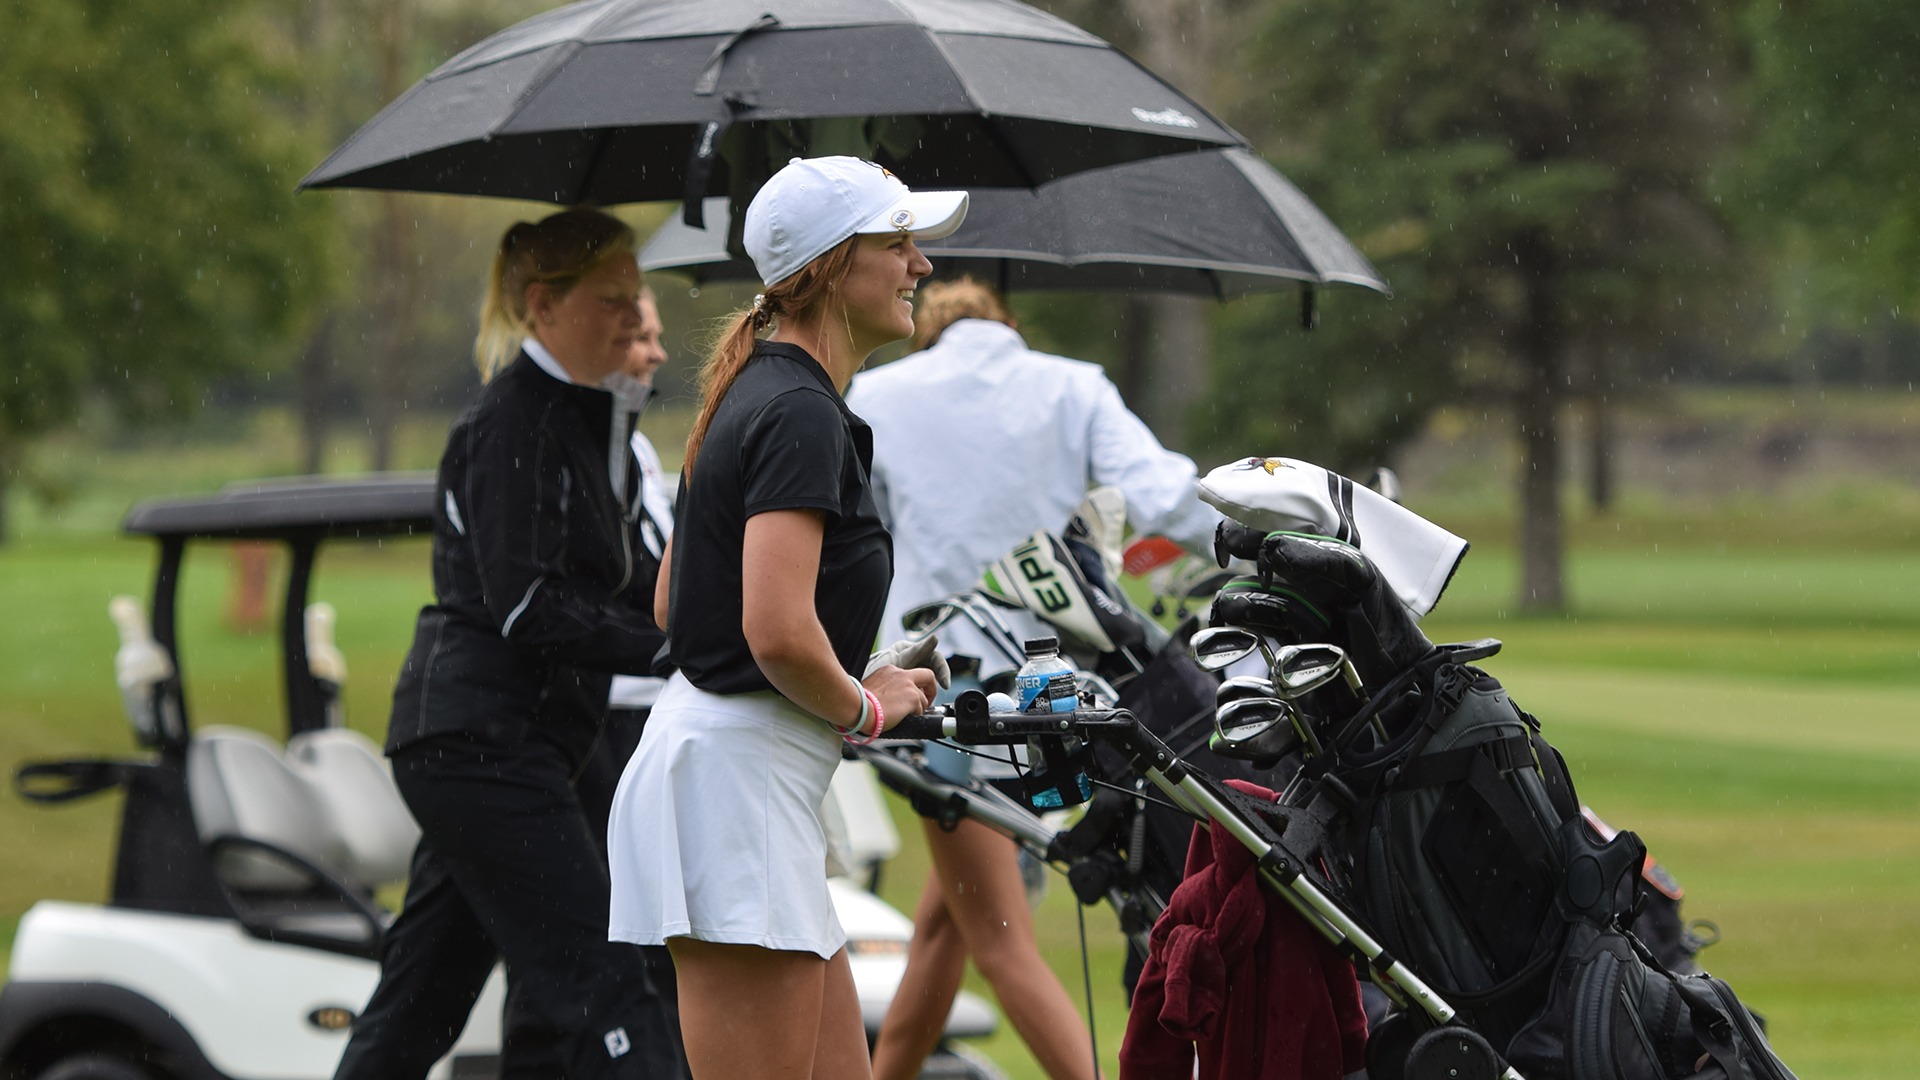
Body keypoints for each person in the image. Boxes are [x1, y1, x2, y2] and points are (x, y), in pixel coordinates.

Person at [606, 156, 966, 1080]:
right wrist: (867, 704)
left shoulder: (762, 393)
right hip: (737, 791)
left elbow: (672, 602)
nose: (921, 264)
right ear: (833, 267)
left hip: (744, 782)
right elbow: (772, 630)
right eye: (897, 243)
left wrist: (845, 676)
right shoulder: (798, 409)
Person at [845, 277, 1225, 1080]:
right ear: (1006, 326)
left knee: (997, 942)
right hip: (1060, 700)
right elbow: (1163, 496)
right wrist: (1275, 532)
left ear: (930, 334)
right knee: (947, 927)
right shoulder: (1073, 387)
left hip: (948, 706)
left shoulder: (877, 396)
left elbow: (853, 549)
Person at [335, 209, 680, 1080]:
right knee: (610, 985)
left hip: (500, 745)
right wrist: (672, 656)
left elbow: (628, 588)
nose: (634, 318)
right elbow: (529, 606)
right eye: (612, 300)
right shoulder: (513, 424)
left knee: (417, 1010)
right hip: (480, 742)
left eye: (637, 297)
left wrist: (723, 629)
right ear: (543, 304)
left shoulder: (588, 425)